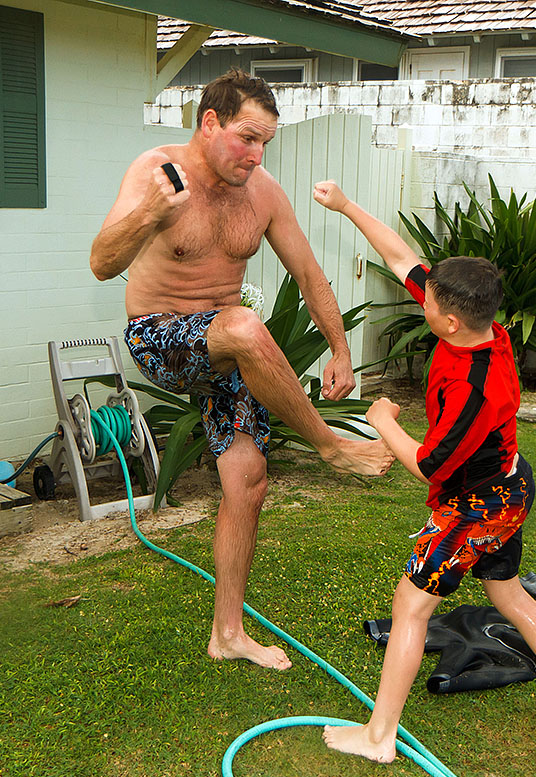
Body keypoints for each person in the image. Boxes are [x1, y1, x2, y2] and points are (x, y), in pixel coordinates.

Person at [90, 70, 393, 671]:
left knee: (248, 480)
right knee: (245, 326)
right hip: (160, 338)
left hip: (229, 354)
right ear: (210, 123)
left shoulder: (263, 194)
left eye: (265, 144)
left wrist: (340, 350)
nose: (255, 156)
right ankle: (331, 447)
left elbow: (308, 274)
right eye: (246, 139)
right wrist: (148, 212)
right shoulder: (157, 172)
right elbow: (102, 263)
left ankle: (227, 632)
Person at [312, 180, 536, 762]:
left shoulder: (476, 387)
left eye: (427, 300)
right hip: (509, 488)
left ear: (446, 319)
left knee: (410, 606)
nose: (418, 295)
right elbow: (401, 257)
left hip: (479, 507)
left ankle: (379, 737)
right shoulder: (479, 325)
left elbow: (428, 465)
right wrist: (346, 206)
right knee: (511, 597)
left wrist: (383, 419)